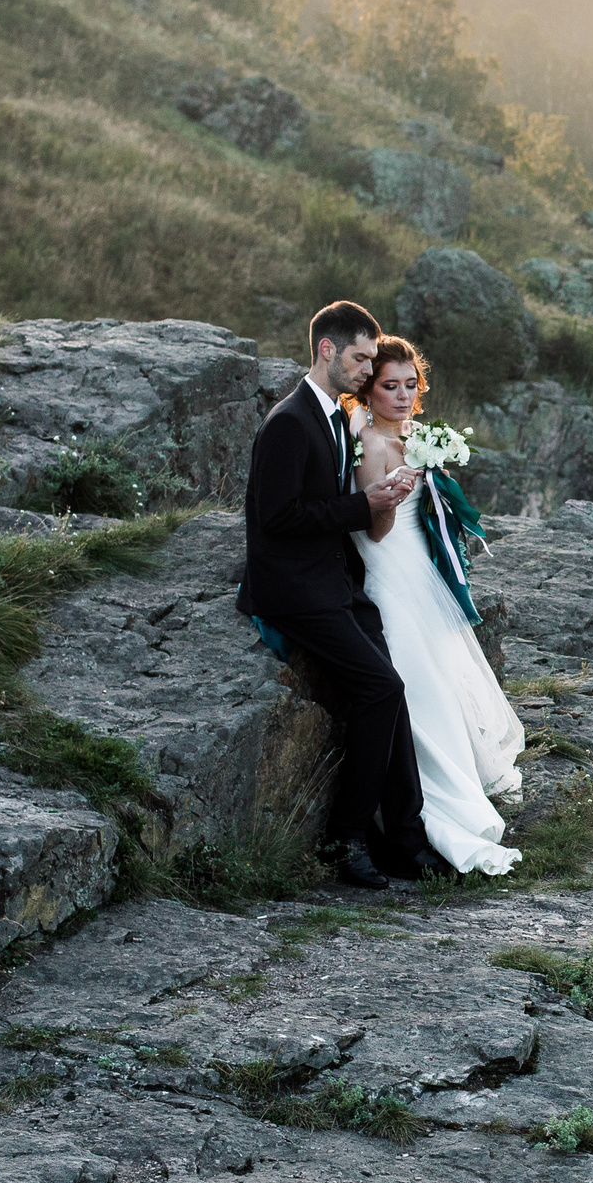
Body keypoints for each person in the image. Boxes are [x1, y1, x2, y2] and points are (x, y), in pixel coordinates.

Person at [235, 301, 444, 889]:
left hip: (334, 581)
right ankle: (346, 838)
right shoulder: (289, 421)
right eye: (360, 359)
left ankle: (404, 838)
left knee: (391, 683)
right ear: (326, 350)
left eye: (371, 360)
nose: (365, 371)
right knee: (381, 688)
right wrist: (367, 506)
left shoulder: (332, 416)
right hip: (293, 590)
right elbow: (275, 519)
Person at [347, 336, 525, 875]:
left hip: (422, 571)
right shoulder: (371, 445)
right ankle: (421, 812)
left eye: (409, 386)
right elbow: (374, 532)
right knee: (415, 681)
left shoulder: (416, 436)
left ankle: (458, 786)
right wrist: (393, 495)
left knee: (445, 680)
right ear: (369, 389)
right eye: (388, 386)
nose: (401, 397)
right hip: (388, 571)